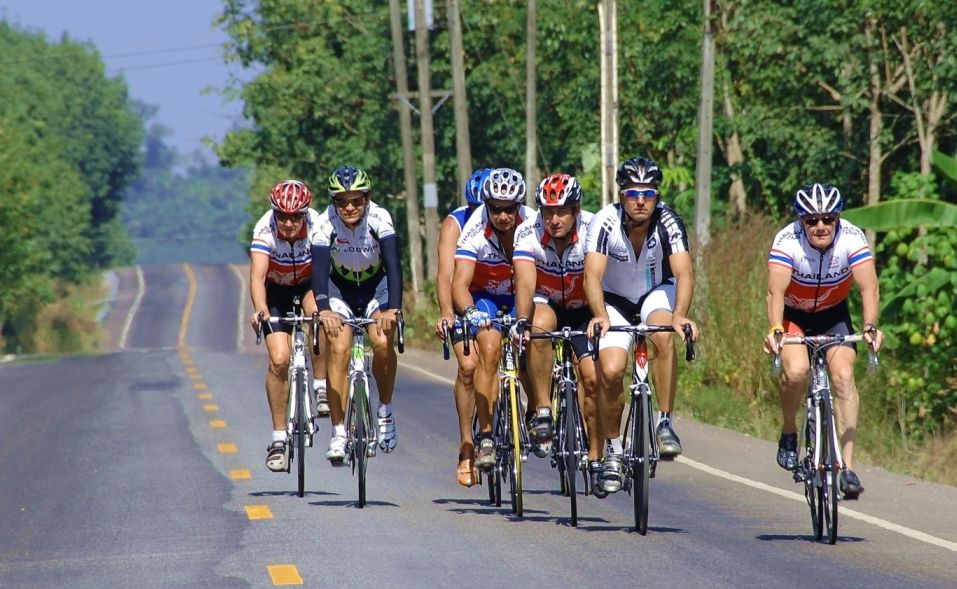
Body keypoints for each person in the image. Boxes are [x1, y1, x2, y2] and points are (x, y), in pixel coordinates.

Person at [583, 155, 699, 494]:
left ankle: (664, 423)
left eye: (648, 193)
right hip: (614, 301)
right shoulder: (604, 222)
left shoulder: (669, 222)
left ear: (657, 196)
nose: (640, 200)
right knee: (612, 370)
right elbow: (591, 275)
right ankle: (614, 449)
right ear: (621, 195)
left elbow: (683, 273)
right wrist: (600, 316)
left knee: (664, 335)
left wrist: (680, 314)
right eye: (633, 193)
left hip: (655, 293)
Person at [763, 182, 883, 499]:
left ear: (837, 218)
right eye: (812, 220)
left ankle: (848, 467)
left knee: (843, 376)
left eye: (828, 219)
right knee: (797, 371)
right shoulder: (787, 241)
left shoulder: (852, 238)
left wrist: (870, 326)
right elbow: (775, 293)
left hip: (834, 314)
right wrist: (775, 327)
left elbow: (869, 288)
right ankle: (789, 431)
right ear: (801, 221)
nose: (820, 226)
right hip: (794, 318)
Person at [310, 166, 403, 464]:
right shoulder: (325, 223)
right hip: (340, 288)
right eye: (342, 201)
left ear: (367, 199)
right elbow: (319, 272)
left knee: (381, 340)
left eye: (356, 201)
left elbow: (393, 266)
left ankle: (385, 411)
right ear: (334, 203)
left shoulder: (380, 218)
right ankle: (338, 432)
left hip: (377, 286)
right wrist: (324, 310)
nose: (349, 207)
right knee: (338, 346)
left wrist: (393, 309)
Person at [512, 173, 600, 464]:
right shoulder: (527, 232)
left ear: (576, 210)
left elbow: (594, 277)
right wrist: (522, 321)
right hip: (547, 300)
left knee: (590, 377)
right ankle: (543, 408)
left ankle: (597, 451)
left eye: (562, 211)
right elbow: (525, 282)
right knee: (538, 328)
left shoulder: (593, 228)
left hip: (583, 307)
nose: (555, 219)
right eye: (548, 211)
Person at [451, 167, 535, 472]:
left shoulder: (535, 224)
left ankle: (538, 409)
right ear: (487, 205)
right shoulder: (475, 227)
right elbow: (459, 283)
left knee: (536, 341)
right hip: (486, 295)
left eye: (510, 209)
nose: (502, 216)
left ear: (519, 206)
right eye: (496, 209)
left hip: (521, 294)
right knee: (488, 346)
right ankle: (485, 435)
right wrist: (470, 312)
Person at [249, 179, 324, 472]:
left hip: (307, 284)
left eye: (296, 216)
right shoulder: (264, 228)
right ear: (274, 213)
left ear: (306, 214)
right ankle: (279, 439)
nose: (289, 223)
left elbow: (326, 272)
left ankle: (320, 386)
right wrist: (261, 310)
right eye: (283, 216)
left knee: (319, 317)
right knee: (279, 359)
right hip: (275, 289)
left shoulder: (318, 224)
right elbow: (257, 277)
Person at [434, 168, 492, 487]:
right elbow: (445, 274)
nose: (483, 217)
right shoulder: (455, 223)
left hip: (500, 296)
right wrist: (446, 311)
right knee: (469, 366)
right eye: (476, 210)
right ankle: (467, 446)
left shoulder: (513, 219)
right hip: (463, 295)